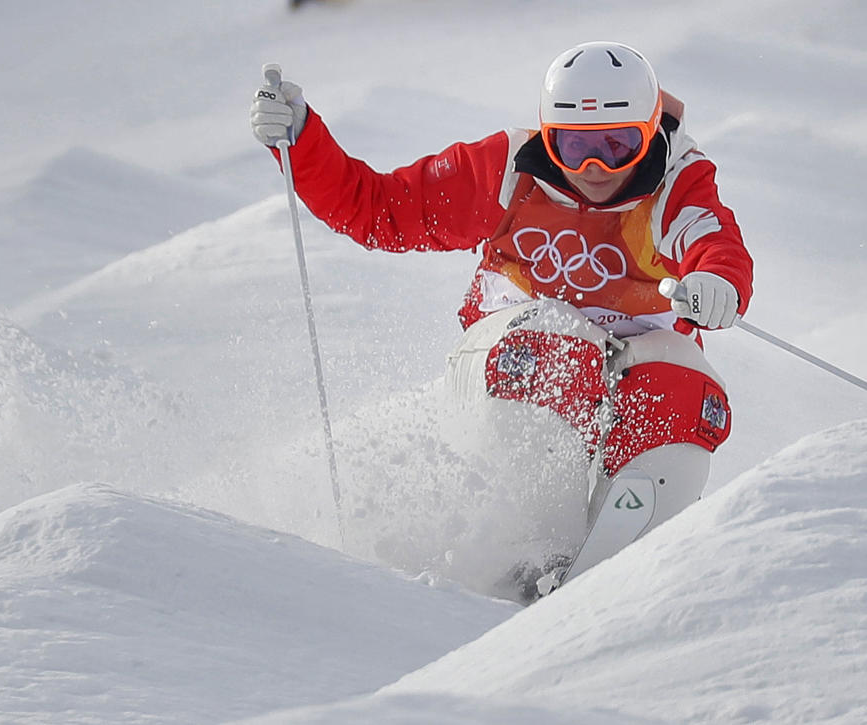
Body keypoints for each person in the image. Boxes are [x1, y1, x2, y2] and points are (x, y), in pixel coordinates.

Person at [250, 41, 753, 601]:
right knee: (553, 349)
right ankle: (528, 562)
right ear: (547, 134)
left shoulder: (675, 183)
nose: (595, 168)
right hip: (509, 361)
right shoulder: (508, 170)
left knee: (684, 384)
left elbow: (713, 241)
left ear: (651, 131)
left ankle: (635, 565)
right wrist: (302, 140)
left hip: (627, 367)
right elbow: (377, 207)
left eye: (618, 145)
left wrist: (718, 282)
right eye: (574, 146)